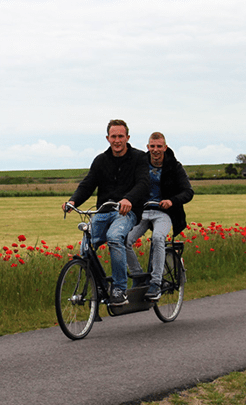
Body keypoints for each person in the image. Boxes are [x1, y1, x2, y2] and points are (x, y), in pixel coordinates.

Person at [63, 119, 149, 305]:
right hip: (102, 211)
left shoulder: (139, 158)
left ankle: (119, 289)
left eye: (120, 136)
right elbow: (88, 184)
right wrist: (73, 201)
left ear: (127, 137)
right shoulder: (101, 160)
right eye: (113, 136)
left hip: (126, 212)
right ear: (107, 138)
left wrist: (129, 199)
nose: (117, 140)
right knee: (86, 245)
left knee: (114, 236)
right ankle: (98, 287)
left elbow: (143, 183)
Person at [124, 132, 193, 300]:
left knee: (157, 238)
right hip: (142, 212)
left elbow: (188, 192)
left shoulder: (175, 167)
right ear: (147, 147)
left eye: (159, 146)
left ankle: (156, 283)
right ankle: (139, 277)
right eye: (152, 146)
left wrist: (172, 201)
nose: (155, 150)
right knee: (124, 240)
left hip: (164, 213)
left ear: (165, 147)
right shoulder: (140, 165)